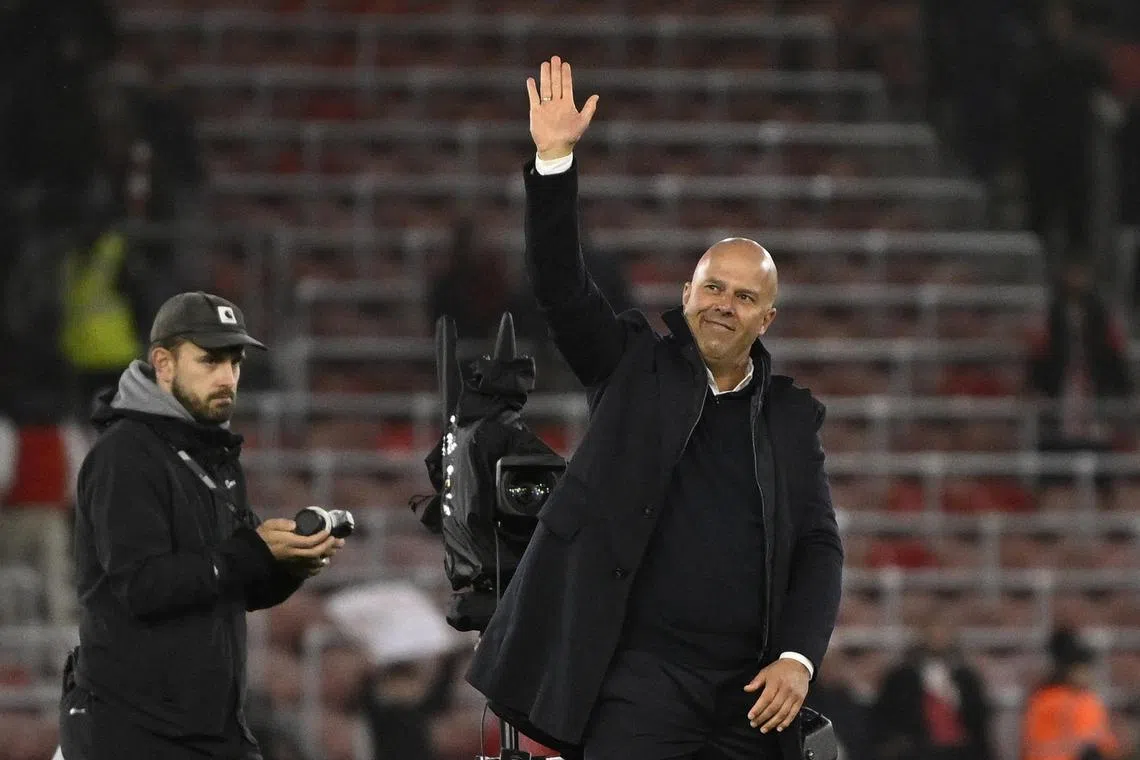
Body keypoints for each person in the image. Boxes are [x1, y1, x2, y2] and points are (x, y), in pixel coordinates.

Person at [466, 56, 844, 760]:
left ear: (768, 319)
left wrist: (798, 657)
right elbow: (560, 286)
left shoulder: (792, 419)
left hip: (748, 693)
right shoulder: (633, 364)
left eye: (743, 296)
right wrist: (554, 163)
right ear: (689, 292)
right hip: (638, 680)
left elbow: (820, 547)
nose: (723, 304)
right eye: (711, 287)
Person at [58, 291, 347, 760]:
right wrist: (252, 553)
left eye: (234, 363)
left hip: (210, 728)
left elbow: (237, 584)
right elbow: (143, 586)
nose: (227, 378)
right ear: (163, 363)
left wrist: (289, 564)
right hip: (131, 731)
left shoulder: (215, 453)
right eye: (209, 361)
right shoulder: (124, 454)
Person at [869, 623, 994, 760]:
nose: (939, 636)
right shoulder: (901, 677)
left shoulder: (966, 677)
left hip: (960, 752)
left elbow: (978, 722)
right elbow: (887, 716)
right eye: (933, 630)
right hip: (917, 752)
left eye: (944, 630)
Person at [1021, 627, 1119, 760]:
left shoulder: (1085, 699)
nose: (1088, 674)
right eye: (1083, 669)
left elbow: (1104, 744)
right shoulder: (1049, 699)